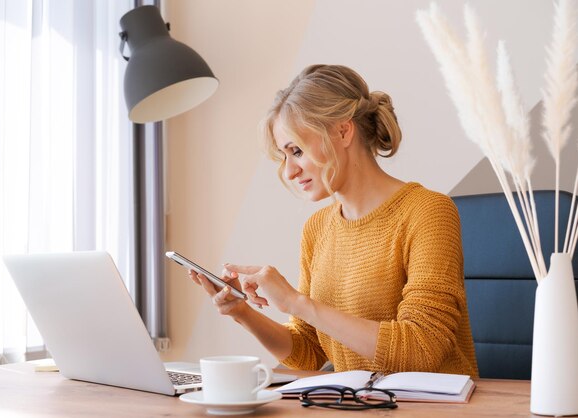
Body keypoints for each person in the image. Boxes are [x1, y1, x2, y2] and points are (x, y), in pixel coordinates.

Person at [189, 64, 479, 376]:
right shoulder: (316, 229)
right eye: (284, 156)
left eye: (296, 151)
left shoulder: (428, 212)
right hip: (359, 405)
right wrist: (242, 312)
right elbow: (310, 351)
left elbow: (422, 350)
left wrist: (294, 301)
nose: (288, 171)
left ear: (343, 131)